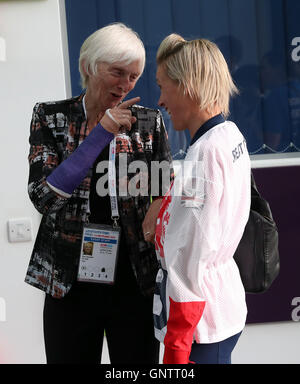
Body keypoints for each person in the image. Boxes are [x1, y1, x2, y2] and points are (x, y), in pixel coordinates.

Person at [25, 23, 173, 364]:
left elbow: (166, 186)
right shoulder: (51, 117)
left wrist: (161, 202)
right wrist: (100, 133)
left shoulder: (148, 122)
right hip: (68, 277)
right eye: (117, 73)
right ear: (89, 67)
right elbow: (44, 197)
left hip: (133, 278)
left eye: (134, 76)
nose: (125, 85)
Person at [153, 34, 251, 364]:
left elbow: (191, 254)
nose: (161, 100)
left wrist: (176, 348)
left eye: (164, 86)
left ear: (188, 86)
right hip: (219, 306)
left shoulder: (205, 152)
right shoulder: (229, 134)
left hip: (197, 323)